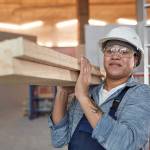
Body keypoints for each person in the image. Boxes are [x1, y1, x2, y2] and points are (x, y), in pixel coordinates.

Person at [48, 26, 150, 150]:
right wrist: (62, 92)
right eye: (110, 50)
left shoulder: (142, 94)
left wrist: (84, 98)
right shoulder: (90, 90)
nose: (115, 56)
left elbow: (125, 144)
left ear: (136, 59)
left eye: (124, 51)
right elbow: (59, 139)